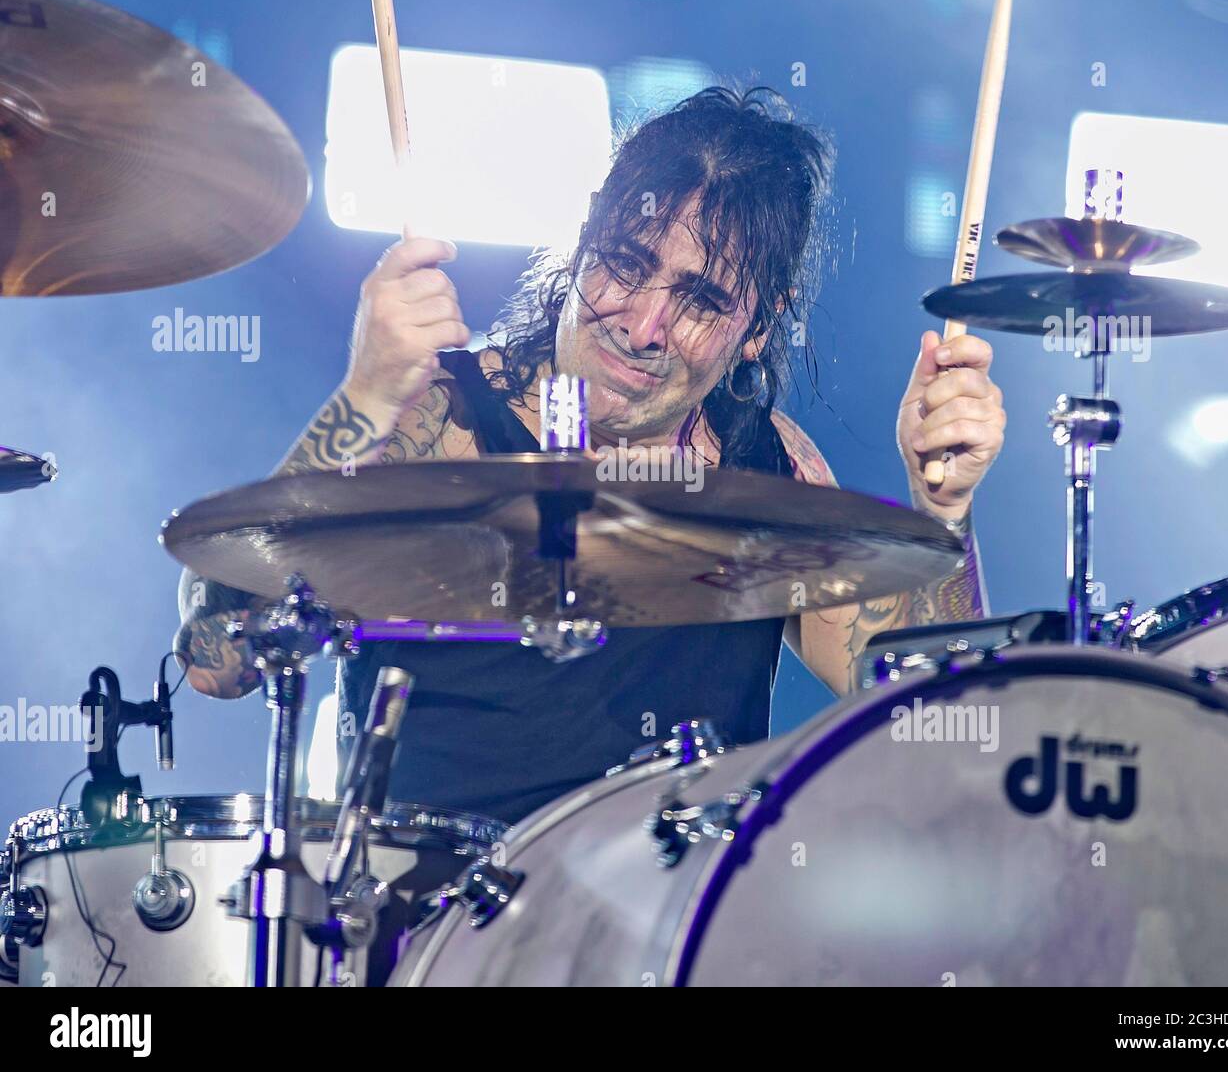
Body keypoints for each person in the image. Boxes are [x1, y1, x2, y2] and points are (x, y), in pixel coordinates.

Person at [175, 87, 1005, 825]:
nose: (642, 324)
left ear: (758, 327)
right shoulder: (442, 419)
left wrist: (944, 510)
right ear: (580, 241)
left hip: (663, 935)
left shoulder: (768, 476)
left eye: (701, 302)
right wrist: (365, 399)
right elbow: (220, 658)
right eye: (627, 264)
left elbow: (932, 729)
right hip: (422, 933)